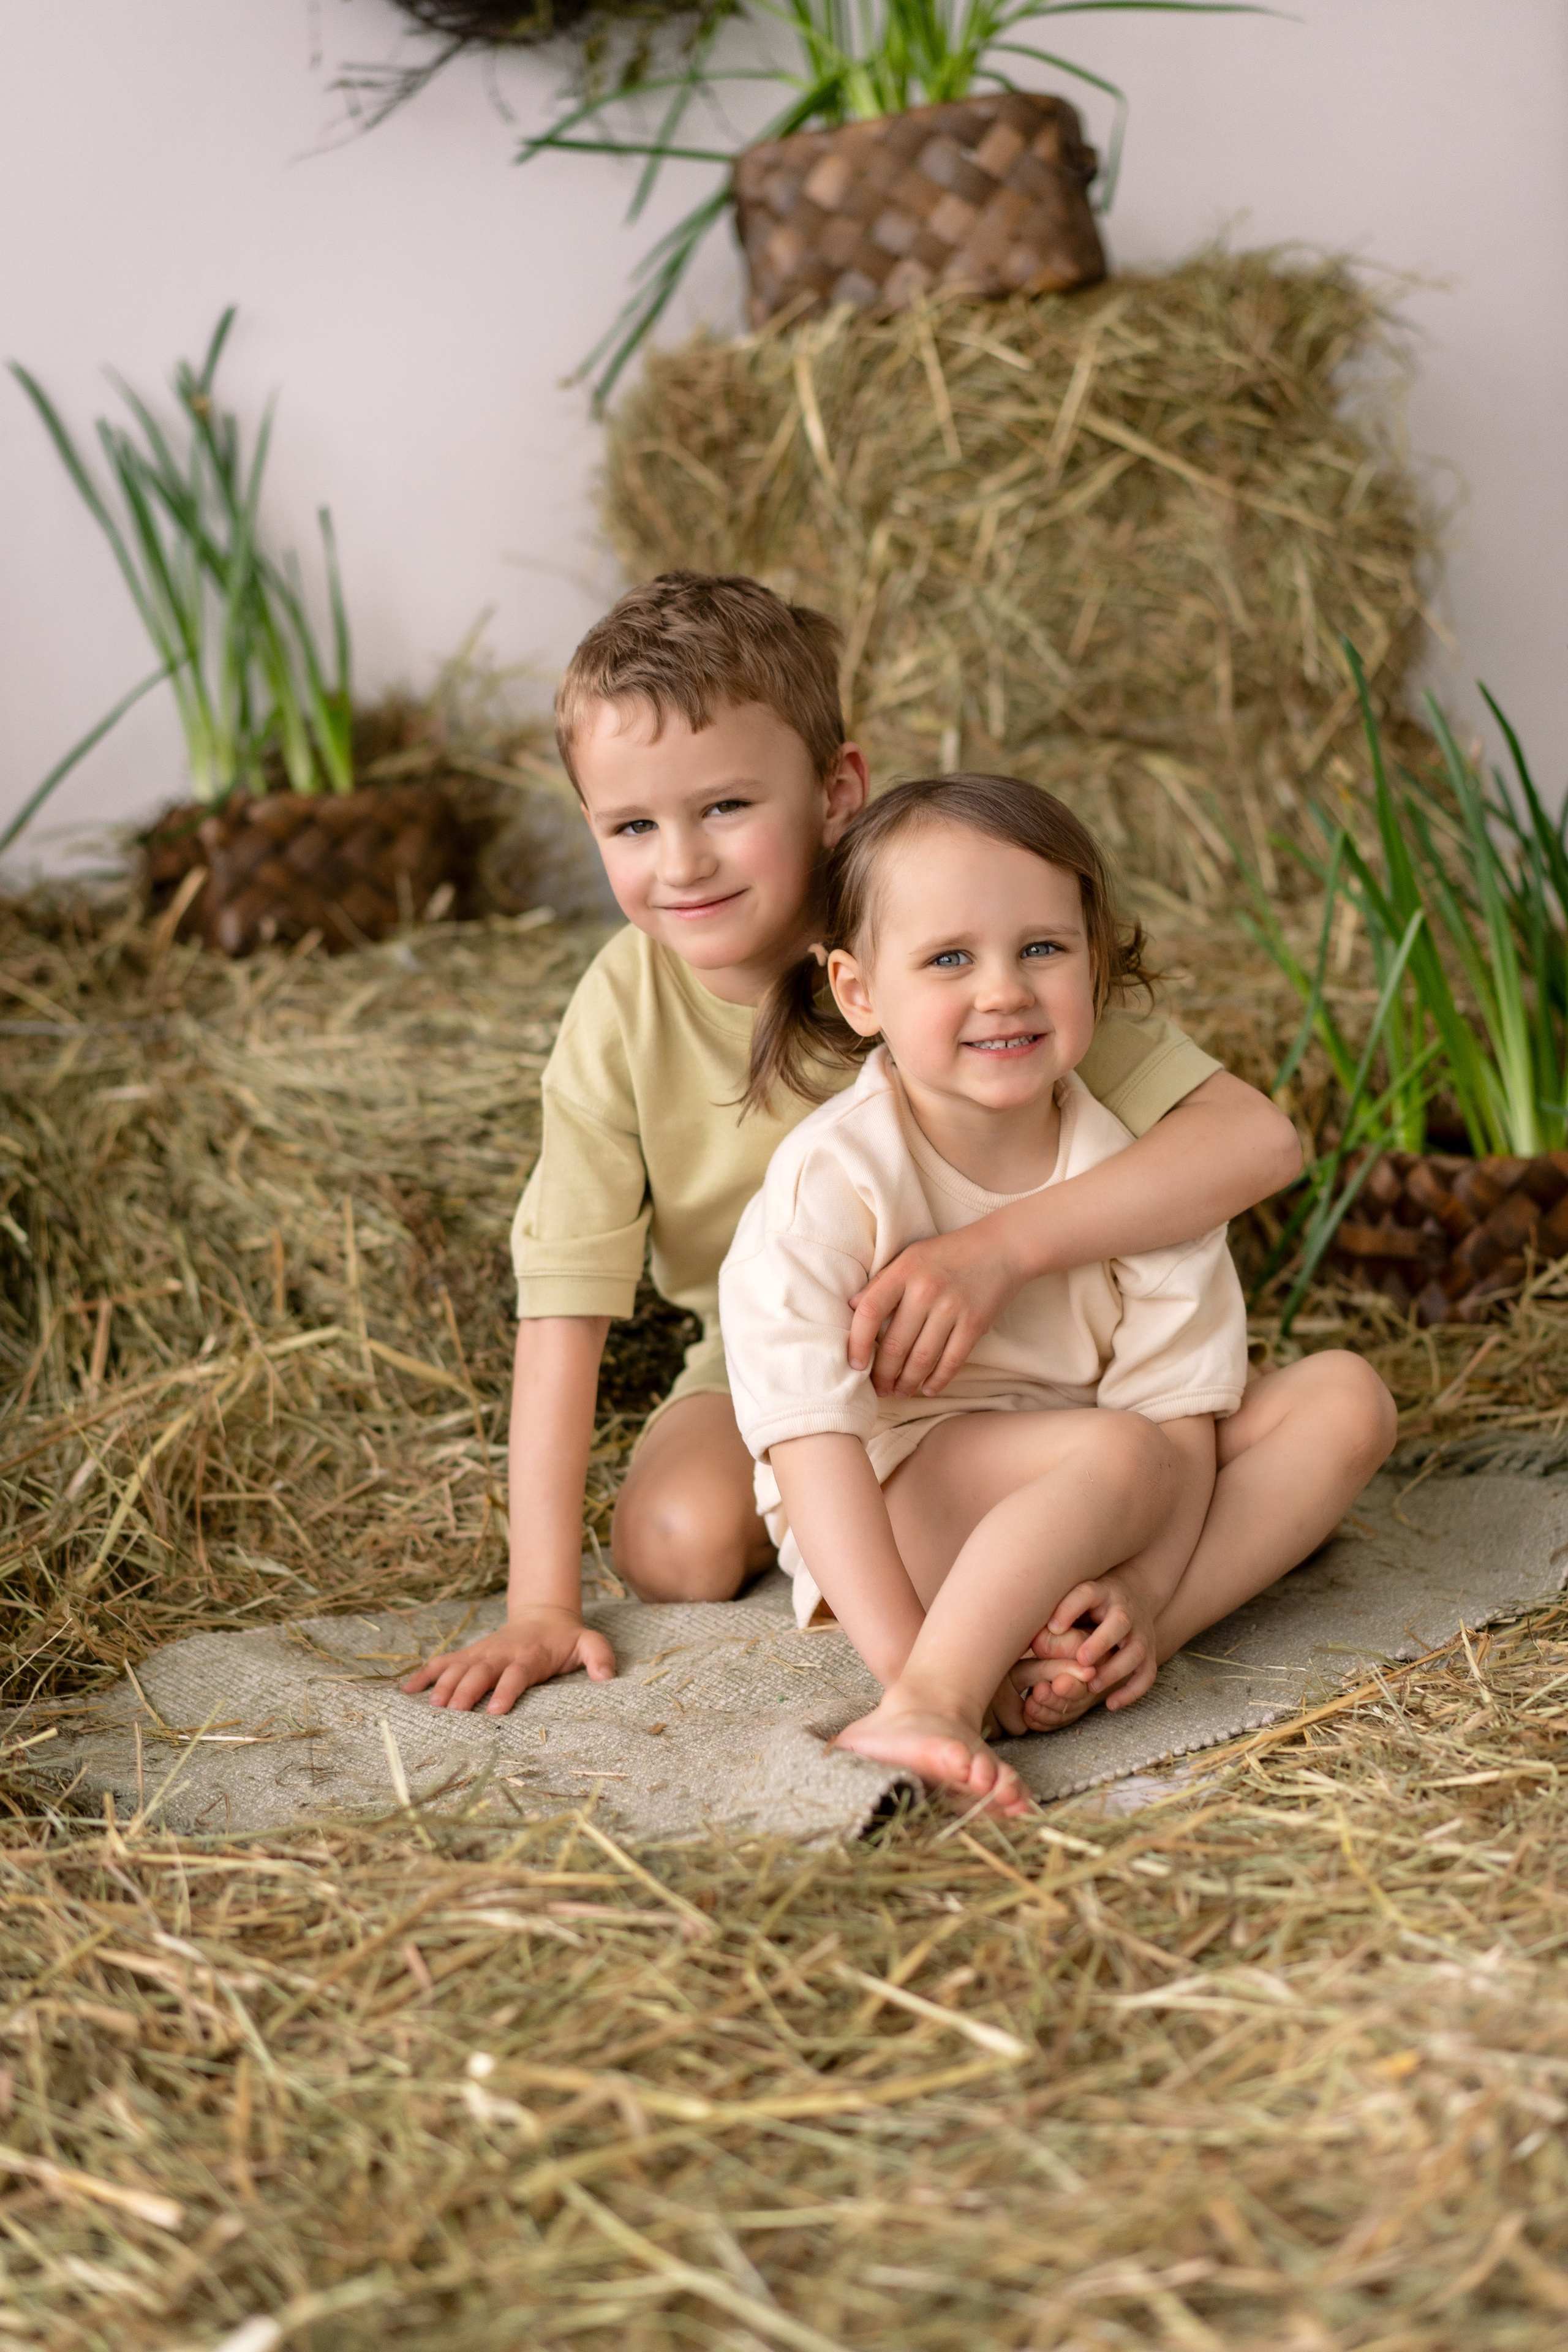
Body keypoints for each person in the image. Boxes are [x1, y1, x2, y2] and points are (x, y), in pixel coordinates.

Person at [402, 572, 1308, 1719]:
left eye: (726, 808)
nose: (682, 863)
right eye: (634, 826)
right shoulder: (619, 1012)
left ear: (837, 789)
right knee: (678, 1545)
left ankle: (1114, 1610)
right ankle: (994, 1575)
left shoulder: (961, 935)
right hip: (788, 1370)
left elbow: (1255, 1144)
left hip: (1055, 1342)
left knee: (1321, 1413)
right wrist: (540, 1601)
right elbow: (563, 1304)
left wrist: (1001, 1251)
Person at [719, 775, 1398, 1814]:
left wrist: (1144, 1591)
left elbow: (1181, 1422)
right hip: (903, 1511)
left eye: (1042, 949)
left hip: (1106, 1493)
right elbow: (811, 1444)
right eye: (950, 958)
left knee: (1348, 1399)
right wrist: (917, 1673)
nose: (1003, 990)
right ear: (858, 994)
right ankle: (940, 1694)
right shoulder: (834, 1179)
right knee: (1113, 1451)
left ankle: (1114, 1646)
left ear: (1094, 962)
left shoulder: (1134, 1175)